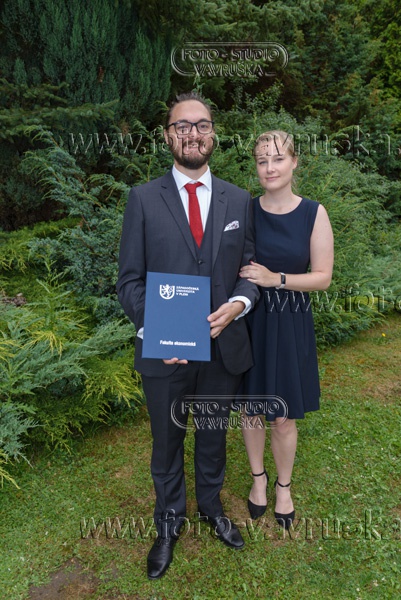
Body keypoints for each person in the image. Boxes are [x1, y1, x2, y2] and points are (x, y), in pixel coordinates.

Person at [116, 91, 259, 579]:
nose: (192, 133)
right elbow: (129, 281)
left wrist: (239, 304)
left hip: (222, 348)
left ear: (213, 134)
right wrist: (157, 330)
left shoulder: (239, 199)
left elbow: (249, 271)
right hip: (165, 354)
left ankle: (211, 506)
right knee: (167, 442)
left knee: (213, 435)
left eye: (201, 125)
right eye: (182, 126)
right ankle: (168, 522)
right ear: (167, 136)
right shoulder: (142, 199)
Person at [239, 130, 334, 529]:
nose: (270, 167)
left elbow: (322, 277)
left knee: (282, 415)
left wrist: (275, 279)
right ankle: (258, 479)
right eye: (262, 161)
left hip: (290, 320)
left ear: (294, 162)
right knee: (251, 408)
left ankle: (283, 487)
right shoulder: (245, 210)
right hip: (251, 319)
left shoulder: (313, 213)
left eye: (278, 159)